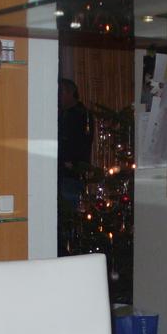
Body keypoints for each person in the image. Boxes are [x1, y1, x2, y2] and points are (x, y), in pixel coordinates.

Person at [58, 78, 94, 255]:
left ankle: (70, 253)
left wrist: (69, 162)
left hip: (72, 174)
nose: (58, 96)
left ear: (70, 93)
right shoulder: (66, 114)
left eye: (61, 92)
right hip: (65, 173)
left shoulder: (79, 114)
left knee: (70, 220)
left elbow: (77, 144)